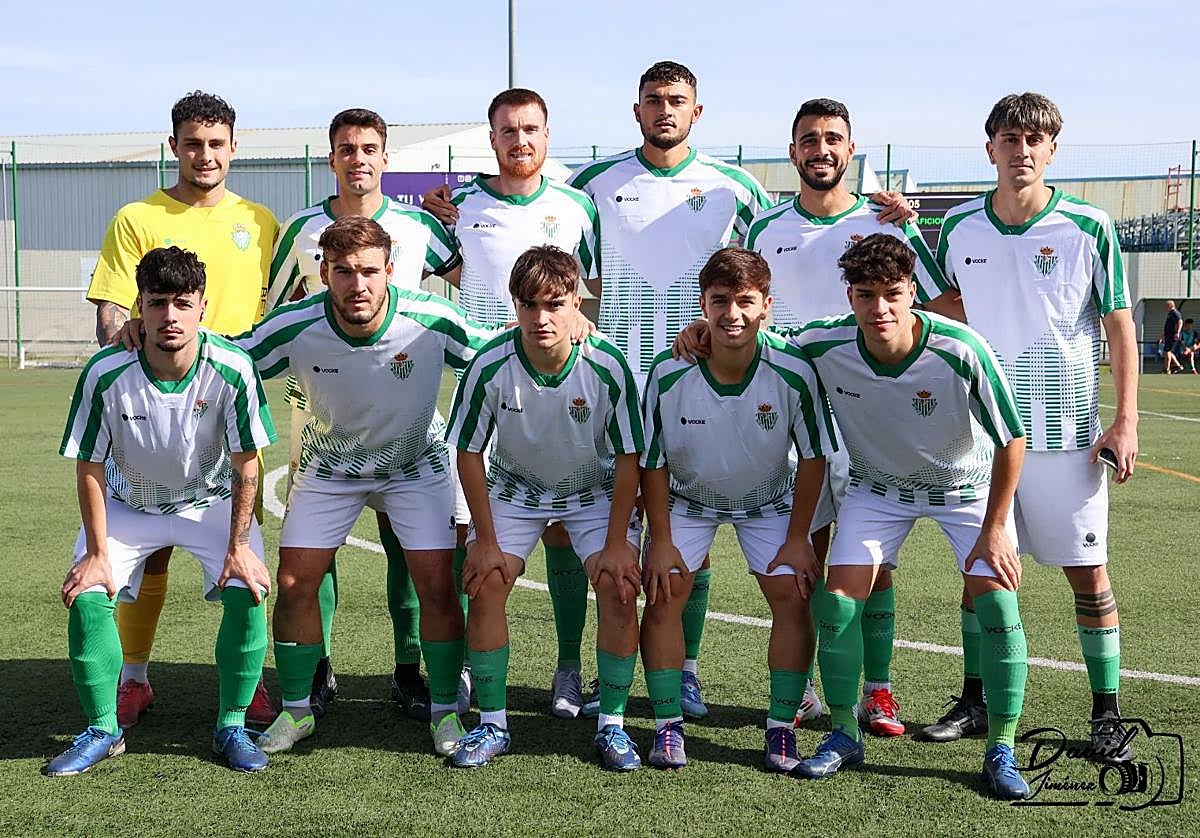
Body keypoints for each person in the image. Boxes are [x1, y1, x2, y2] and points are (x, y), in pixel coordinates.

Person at [234, 216, 496, 758]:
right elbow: (231, 356)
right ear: (325, 274)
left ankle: (446, 710)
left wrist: (575, 329)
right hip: (330, 468)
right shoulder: (296, 324)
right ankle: (298, 711)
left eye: (370, 271)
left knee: (436, 586)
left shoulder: (432, 319)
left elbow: (498, 353)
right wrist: (151, 331)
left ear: (391, 271)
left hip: (414, 465)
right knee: (293, 581)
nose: (359, 284)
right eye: (345, 272)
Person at [927, 93, 1139, 760]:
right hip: (980, 435)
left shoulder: (1087, 225)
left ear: (1053, 149)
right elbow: (940, 308)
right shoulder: (958, 228)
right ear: (989, 148)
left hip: (1065, 434)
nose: (1022, 150)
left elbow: (1119, 326)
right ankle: (975, 699)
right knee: (979, 573)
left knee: (1088, 573)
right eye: (1010, 139)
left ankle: (1106, 714)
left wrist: (1125, 419)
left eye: (1034, 140)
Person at [781, 234, 1030, 799]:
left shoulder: (961, 348)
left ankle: (1002, 747)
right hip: (879, 490)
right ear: (850, 296)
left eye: (893, 293)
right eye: (865, 295)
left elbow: (1013, 438)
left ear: (912, 292)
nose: (880, 309)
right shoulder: (822, 342)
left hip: (964, 489)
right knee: (839, 603)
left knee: (997, 598)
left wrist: (994, 528)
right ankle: (844, 734)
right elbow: (757, 342)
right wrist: (697, 334)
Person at [743, 97, 947, 735]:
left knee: (873, 563)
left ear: (850, 150)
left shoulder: (888, 223)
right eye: (808, 139)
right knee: (804, 558)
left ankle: (878, 693)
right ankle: (804, 689)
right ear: (793, 151)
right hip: (788, 419)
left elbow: (943, 307)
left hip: (869, 419)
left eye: (833, 139)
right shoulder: (763, 228)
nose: (821, 149)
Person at [84, 91, 278, 729]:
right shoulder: (138, 216)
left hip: (227, 399)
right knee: (153, 547)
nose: (205, 155)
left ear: (233, 147)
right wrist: (123, 331)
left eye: (216, 143)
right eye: (193, 143)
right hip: (155, 397)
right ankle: (134, 677)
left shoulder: (260, 221)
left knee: (244, 547)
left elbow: (280, 307)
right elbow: (112, 307)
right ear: (174, 147)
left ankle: (246, 686)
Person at [49, 247, 276, 776]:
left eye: (182, 302)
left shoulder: (233, 368)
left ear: (202, 307)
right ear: (139, 307)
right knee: (86, 595)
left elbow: (248, 465)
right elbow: (89, 465)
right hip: (129, 505)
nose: (169, 316)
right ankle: (103, 729)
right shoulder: (106, 371)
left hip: (209, 502)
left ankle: (232, 725)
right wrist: (99, 554)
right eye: (157, 303)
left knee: (249, 588)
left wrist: (239, 548)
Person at [265, 108, 460, 722]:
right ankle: (315, 672)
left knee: (416, 558)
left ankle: (412, 671)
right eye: (346, 149)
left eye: (369, 148)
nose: (358, 159)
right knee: (306, 563)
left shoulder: (421, 226)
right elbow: (272, 313)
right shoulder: (299, 228)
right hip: (321, 407)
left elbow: (463, 282)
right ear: (332, 158)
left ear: (384, 156)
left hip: (405, 399)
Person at [435, 87, 604, 721]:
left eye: (530, 128)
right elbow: (454, 269)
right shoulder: (463, 206)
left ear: (546, 134)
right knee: (468, 533)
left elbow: (584, 288)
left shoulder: (577, 207)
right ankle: (474, 675)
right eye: (508, 130)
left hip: (554, 385)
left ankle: (568, 666)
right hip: (487, 382)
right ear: (492, 138)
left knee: (561, 526)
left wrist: (580, 323)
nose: (520, 140)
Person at [445, 246, 644, 770]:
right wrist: (484, 540)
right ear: (515, 305)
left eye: (554, 304)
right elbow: (466, 450)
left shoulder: (606, 365)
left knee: (621, 587)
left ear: (576, 302)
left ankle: (613, 726)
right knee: (485, 580)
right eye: (529, 304)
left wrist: (621, 541)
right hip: (515, 492)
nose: (541, 317)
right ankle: (492, 723)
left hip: (591, 494)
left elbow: (628, 457)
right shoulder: (490, 364)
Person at [639, 248, 834, 773]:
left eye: (745, 301)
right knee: (663, 590)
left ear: (766, 306)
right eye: (719, 301)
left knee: (793, 592)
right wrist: (660, 541)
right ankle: (666, 726)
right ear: (701, 305)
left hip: (769, 501)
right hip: (688, 499)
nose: (732, 314)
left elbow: (814, 458)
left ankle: (780, 728)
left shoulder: (793, 370)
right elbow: (652, 463)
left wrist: (799, 537)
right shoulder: (669, 371)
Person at [1160, 300, 1184, 374]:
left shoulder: (1175, 313)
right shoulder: (1170, 314)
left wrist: (1178, 332)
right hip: (1168, 335)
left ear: (1170, 306)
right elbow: (1168, 326)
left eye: (1166, 306)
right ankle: (1174, 367)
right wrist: (1163, 336)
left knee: (1167, 351)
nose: (1165, 308)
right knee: (1167, 351)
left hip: (1172, 336)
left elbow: (1180, 321)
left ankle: (1169, 368)